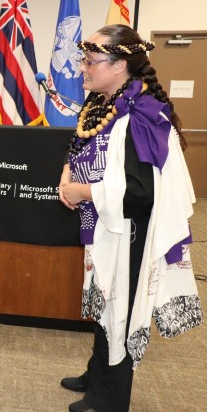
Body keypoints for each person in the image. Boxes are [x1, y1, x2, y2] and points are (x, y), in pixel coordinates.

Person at [58, 24, 203, 412]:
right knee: (105, 301)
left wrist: (83, 192)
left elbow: (141, 195)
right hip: (107, 228)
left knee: (119, 306)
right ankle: (97, 373)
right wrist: (67, 175)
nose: (83, 69)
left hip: (132, 235)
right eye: (83, 60)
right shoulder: (106, 103)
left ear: (120, 65)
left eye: (91, 61)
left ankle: (109, 398)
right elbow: (83, 149)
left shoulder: (140, 116)